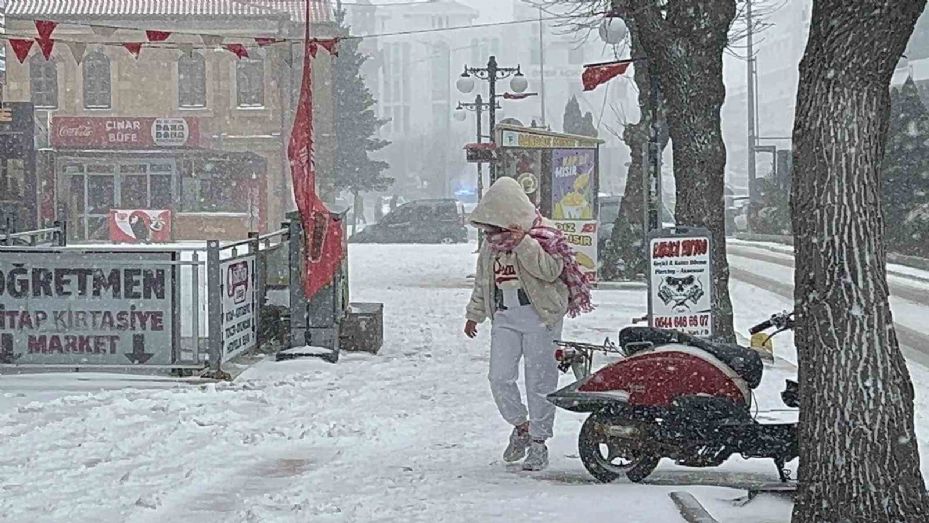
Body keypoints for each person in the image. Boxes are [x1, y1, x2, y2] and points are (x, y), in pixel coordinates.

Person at [464, 177, 594, 471]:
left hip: (540, 316)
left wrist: (523, 243)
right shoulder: (490, 245)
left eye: (496, 225)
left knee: (540, 380)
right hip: (505, 315)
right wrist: (474, 313)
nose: (492, 232)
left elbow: (550, 271)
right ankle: (521, 426)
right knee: (499, 377)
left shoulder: (544, 234)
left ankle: (539, 441)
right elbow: (484, 280)